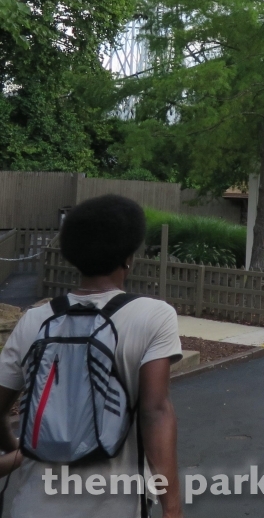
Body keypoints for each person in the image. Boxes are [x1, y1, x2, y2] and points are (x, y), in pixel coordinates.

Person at [0, 194, 183, 518]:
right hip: (115, 506)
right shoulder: (152, 316)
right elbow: (155, 411)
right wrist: (172, 508)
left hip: (33, 506)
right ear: (128, 258)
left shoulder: (35, 320)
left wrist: (20, 449)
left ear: (73, 257)